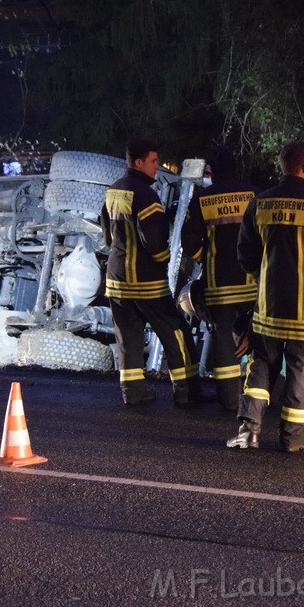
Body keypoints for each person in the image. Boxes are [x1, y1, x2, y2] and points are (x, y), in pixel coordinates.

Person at [226, 141, 304, 452]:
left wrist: (263, 280)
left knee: (262, 364)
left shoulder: (260, 203)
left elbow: (246, 255)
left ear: (282, 166)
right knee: (302, 368)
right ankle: (293, 437)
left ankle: (248, 430)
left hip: (268, 308)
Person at [100, 139, 200, 406]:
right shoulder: (147, 196)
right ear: (139, 162)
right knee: (175, 332)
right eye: (154, 161)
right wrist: (164, 261)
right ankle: (186, 392)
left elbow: (108, 237)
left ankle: (133, 394)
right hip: (146, 282)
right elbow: (154, 242)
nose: (158, 166)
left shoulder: (113, 191)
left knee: (128, 340)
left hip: (116, 281)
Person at [180, 146, 258, 410]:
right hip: (253, 283)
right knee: (257, 336)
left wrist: (207, 257)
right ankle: (259, 396)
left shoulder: (202, 198)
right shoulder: (253, 195)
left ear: (211, 173)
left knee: (224, 338)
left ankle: (229, 400)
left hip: (219, 285)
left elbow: (189, 243)